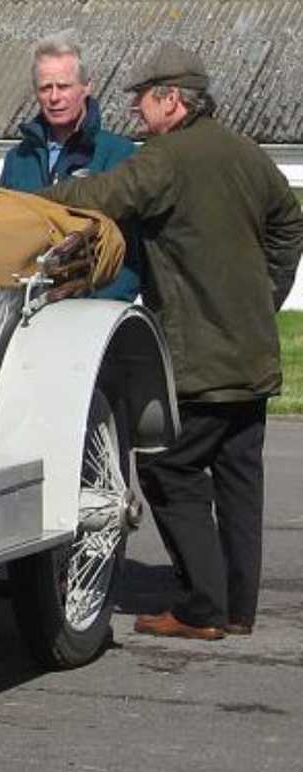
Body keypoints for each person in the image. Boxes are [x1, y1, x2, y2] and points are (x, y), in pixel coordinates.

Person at [43, 42, 303, 640]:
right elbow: (289, 221)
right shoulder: (244, 150)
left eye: (143, 98)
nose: (136, 109)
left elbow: (101, 198)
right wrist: (268, 293)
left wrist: (34, 198)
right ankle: (237, 608)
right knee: (239, 477)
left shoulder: (166, 158)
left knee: (168, 467)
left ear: (173, 100)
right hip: (252, 350)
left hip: (201, 356)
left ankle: (202, 608)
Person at [0, 32, 142, 300]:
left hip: (92, 310)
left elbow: (130, 254)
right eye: (45, 88)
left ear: (86, 87)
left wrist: (97, 307)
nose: (54, 97)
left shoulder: (119, 155)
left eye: (63, 86)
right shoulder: (18, 160)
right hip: (25, 308)